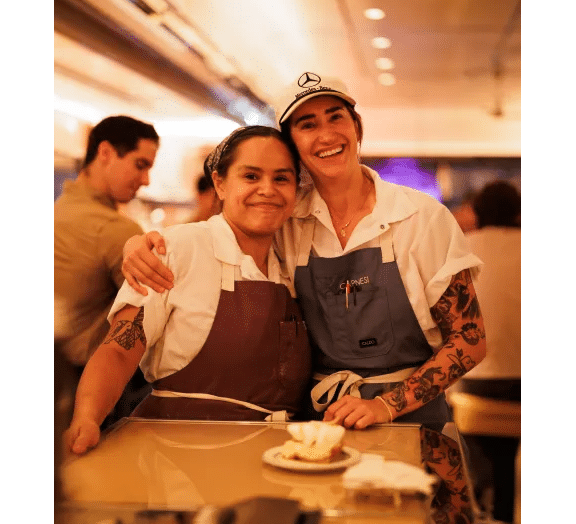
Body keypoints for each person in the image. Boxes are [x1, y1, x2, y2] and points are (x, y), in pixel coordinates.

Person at [122, 73, 486, 433]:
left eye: (336, 117)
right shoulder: (288, 221)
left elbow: (470, 340)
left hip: (413, 421)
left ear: (356, 127)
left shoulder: (419, 217)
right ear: (292, 144)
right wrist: (142, 244)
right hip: (319, 425)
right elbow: (223, 232)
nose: (326, 134)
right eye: (307, 124)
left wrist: (384, 406)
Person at [65, 126, 312, 455]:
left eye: (282, 179)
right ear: (220, 183)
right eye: (251, 176)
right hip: (179, 455)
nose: (267, 189)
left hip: (276, 456)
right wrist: (87, 418)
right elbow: (118, 350)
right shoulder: (177, 249)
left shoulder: (295, 260)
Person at [54, 115, 159, 425]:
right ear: (106, 153)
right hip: (83, 391)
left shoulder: (56, 210)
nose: (146, 180)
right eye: (141, 164)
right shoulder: (116, 230)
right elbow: (156, 315)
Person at [457, 180, 521, 524]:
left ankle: (482, 516)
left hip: (474, 391)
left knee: (479, 458)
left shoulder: (461, 248)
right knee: (509, 467)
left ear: (477, 213)